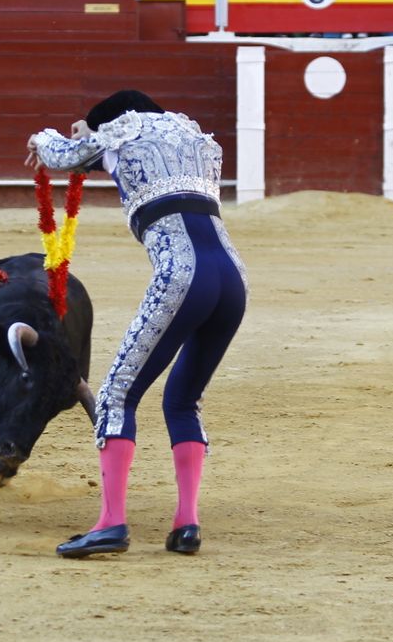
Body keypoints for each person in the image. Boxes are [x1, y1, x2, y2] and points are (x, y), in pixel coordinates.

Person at [27, 90, 246, 560]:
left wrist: (46, 136)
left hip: (183, 274)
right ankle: (186, 524)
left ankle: (111, 523)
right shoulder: (197, 138)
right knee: (183, 400)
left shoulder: (120, 131)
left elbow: (59, 154)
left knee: (117, 394)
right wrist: (97, 142)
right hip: (232, 279)